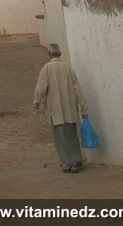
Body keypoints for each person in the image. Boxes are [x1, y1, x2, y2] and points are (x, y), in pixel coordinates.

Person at [33, 43, 88, 173]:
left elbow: (40, 88)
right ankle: (77, 158)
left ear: (49, 54)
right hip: (70, 109)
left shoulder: (46, 69)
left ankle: (68, 164)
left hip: (56, 111)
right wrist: (84, 108)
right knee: (72, 135)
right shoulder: (68, 68)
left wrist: (36, 103)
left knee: (60, 139)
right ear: (60, 54)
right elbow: (78, 89)